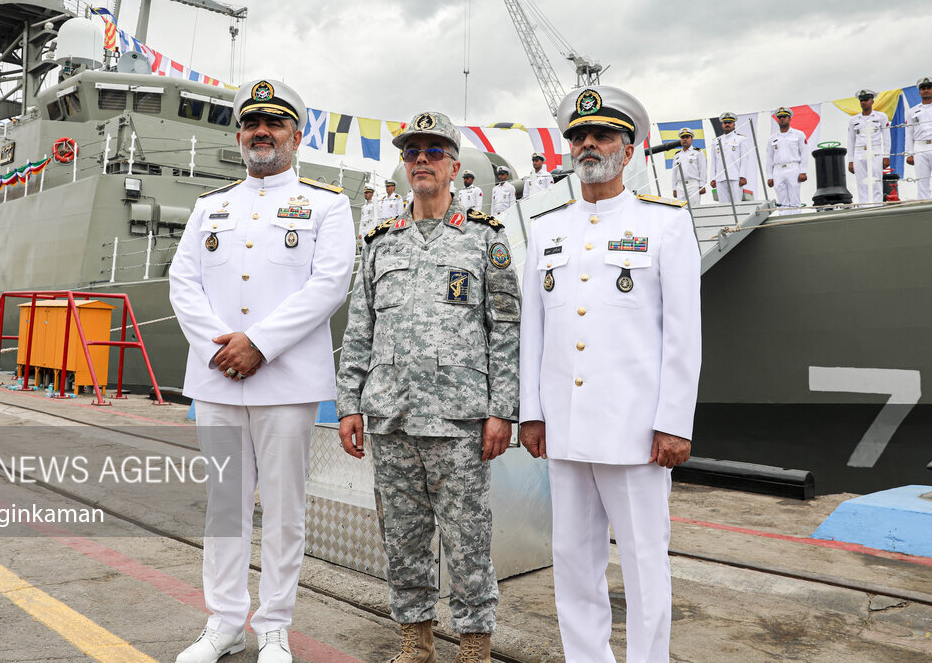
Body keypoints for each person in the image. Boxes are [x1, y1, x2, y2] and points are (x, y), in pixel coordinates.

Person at [169, 79, 356, 663]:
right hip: (219, 378)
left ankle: (273, 626)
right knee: (225, 506)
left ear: (296, 136)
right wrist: (219, 349)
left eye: (274, 123)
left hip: (286, 382)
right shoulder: (210, 207)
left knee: (283, 509)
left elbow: (329, 284)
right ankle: (223, 622)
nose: (261, 132)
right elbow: (184, 282)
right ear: (240, 133)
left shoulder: (328, 204)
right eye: (252, 123)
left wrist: (259, 344)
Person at [519, 85, 701, 663]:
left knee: (646, 564)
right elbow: (534, 330)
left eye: (602, 135)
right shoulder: (547, 229)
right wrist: (532, 412)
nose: (588, 144)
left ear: (629, 147)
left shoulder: (665, 224)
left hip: (636, 430)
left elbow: (683, 334)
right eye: (578, 135)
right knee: (573, 561)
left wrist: (674, 422)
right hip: (566, 430)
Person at [337, 111, 520, 663]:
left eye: (433, 152)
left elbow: (505, 330)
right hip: (391, 417)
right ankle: (415, 643)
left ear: (454, 167)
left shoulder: (485, 241)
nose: (421, 160)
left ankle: (473, 647)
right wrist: (349, 402)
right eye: (412, 151)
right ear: (403, 165)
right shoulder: (379, 244)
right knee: (403, 537)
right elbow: (359, 329)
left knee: (468, 541)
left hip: (460, 421)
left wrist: (502, 410)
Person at [846, 90, 890, 204]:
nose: (863, 102)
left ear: (872, 101)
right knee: (861, 181)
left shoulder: (881, 117)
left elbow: (886, 138)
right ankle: (864, 205)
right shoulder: (854, 120)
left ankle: (877, 204)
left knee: (876, 179)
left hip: (875, 150)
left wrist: (886, 156)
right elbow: (851, 141)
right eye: (861, 100)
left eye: (866, 100)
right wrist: (851, 160)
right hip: (859, 151)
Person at [765, 107, 810, 208]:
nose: (782, 119)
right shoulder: (772, 138)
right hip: (778, 170)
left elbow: (804, 153)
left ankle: (796, 222)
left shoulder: (799, 134)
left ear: (789, 119)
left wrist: (803, 171)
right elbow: (769, 158)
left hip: (793, 168)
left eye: (784, 116)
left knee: (795, 200)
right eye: (779, 117)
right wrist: (769, 176)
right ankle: (784, 221)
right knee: (782, 202)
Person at [708, 112, 753, 202]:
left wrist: (743, 176)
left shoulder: (741, 139)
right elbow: (713, 161)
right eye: (725, 123)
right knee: (723, 205)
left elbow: (744, 159)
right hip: (720, 178)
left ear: (734, 124)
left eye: (729, 122)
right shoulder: (716, 141)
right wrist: (713, 178)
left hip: (735, 177)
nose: (727, 124)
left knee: (736, 204)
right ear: (722, 125)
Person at [670, 128, 707, 204]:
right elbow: (674, 172)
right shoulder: (677, 155)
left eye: (687, 137)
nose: (685, 139)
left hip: (693, 184)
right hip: (680, 185)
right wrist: (674, 188)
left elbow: (703, 170)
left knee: (694, 208)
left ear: (692, 139)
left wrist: (702, 185)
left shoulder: (698, 152)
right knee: (681, 209)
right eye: (683, 137)